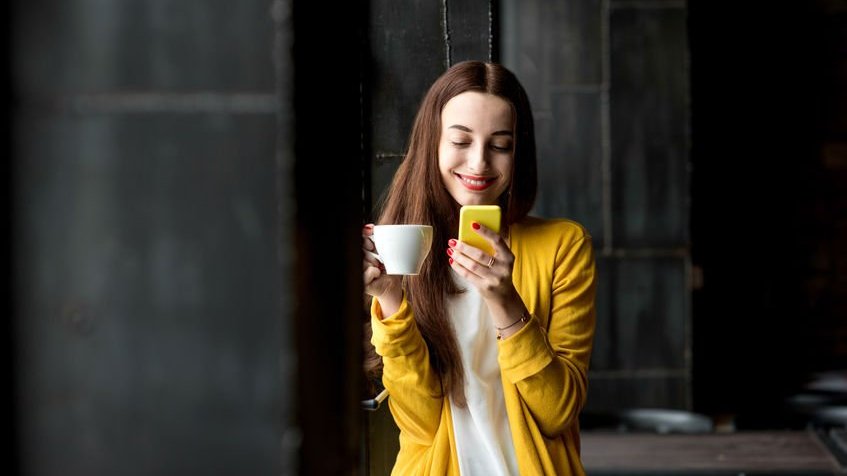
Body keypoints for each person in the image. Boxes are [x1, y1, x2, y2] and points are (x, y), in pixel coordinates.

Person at [362, 60, 596, 476]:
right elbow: (420, 423)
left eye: (500, 145)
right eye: (461, 141)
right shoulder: (405, 253)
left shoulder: (562, 246)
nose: (479, 163)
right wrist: (390, 298)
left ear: (518, 153)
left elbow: (558, 412)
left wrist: (505, 302)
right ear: (432, 143)